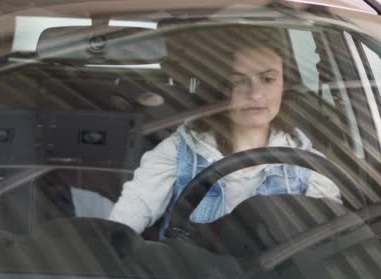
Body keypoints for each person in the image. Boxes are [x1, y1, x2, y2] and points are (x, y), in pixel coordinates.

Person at [108, 28, 341, 237]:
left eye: (267, 79)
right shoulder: (178, 153)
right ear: (219, 88)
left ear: (284, 84)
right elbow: (127, 220)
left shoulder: (310, 168)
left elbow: (333, 243)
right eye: (239, 82)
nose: (256, 94)